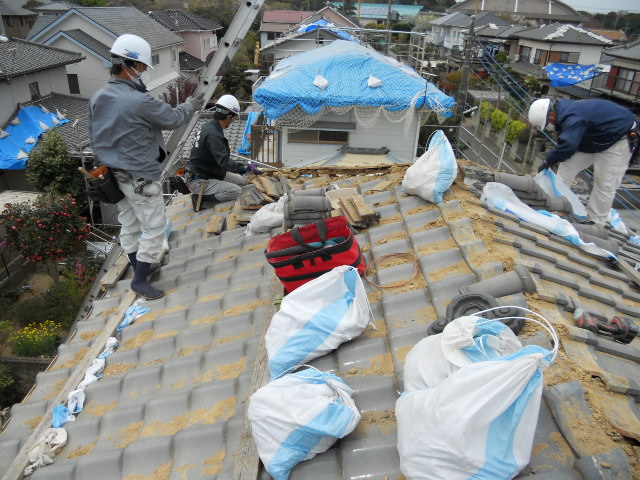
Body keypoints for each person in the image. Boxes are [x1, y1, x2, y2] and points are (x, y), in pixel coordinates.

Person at [88, 34, 205, 300]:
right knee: (154, 227)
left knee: (128, 223)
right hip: (139, 176)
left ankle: (139, 265)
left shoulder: (98, 97)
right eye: (141, 67)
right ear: (129, 65)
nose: (142, 72)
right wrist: (191, 105)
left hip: (114, 176)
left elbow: (95, 136)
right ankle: (140, 279)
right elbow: (172, 119)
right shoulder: (140, 101)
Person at [528, 98, 638, 226]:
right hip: (593, 138)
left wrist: (548, 160)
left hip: (619, 139)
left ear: (551, 114)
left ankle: (596, 222)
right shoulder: (565, 113)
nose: (549, 127)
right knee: (566, 168)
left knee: (605, 184)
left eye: (547, 123)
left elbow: (568, 146)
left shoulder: (573, 117)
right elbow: (568, 143)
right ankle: (558, 206)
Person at [186, 94, 259, 211]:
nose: (233, 121)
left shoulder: (208, 126)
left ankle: (209, 191)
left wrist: (243, 169)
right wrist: (245, 167)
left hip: (209, 171)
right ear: (229, 116)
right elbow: (224, 161)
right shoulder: (213, 134)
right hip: (200, 180)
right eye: (234, 118)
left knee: (240, 181)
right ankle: (202, 198)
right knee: (236, 191)